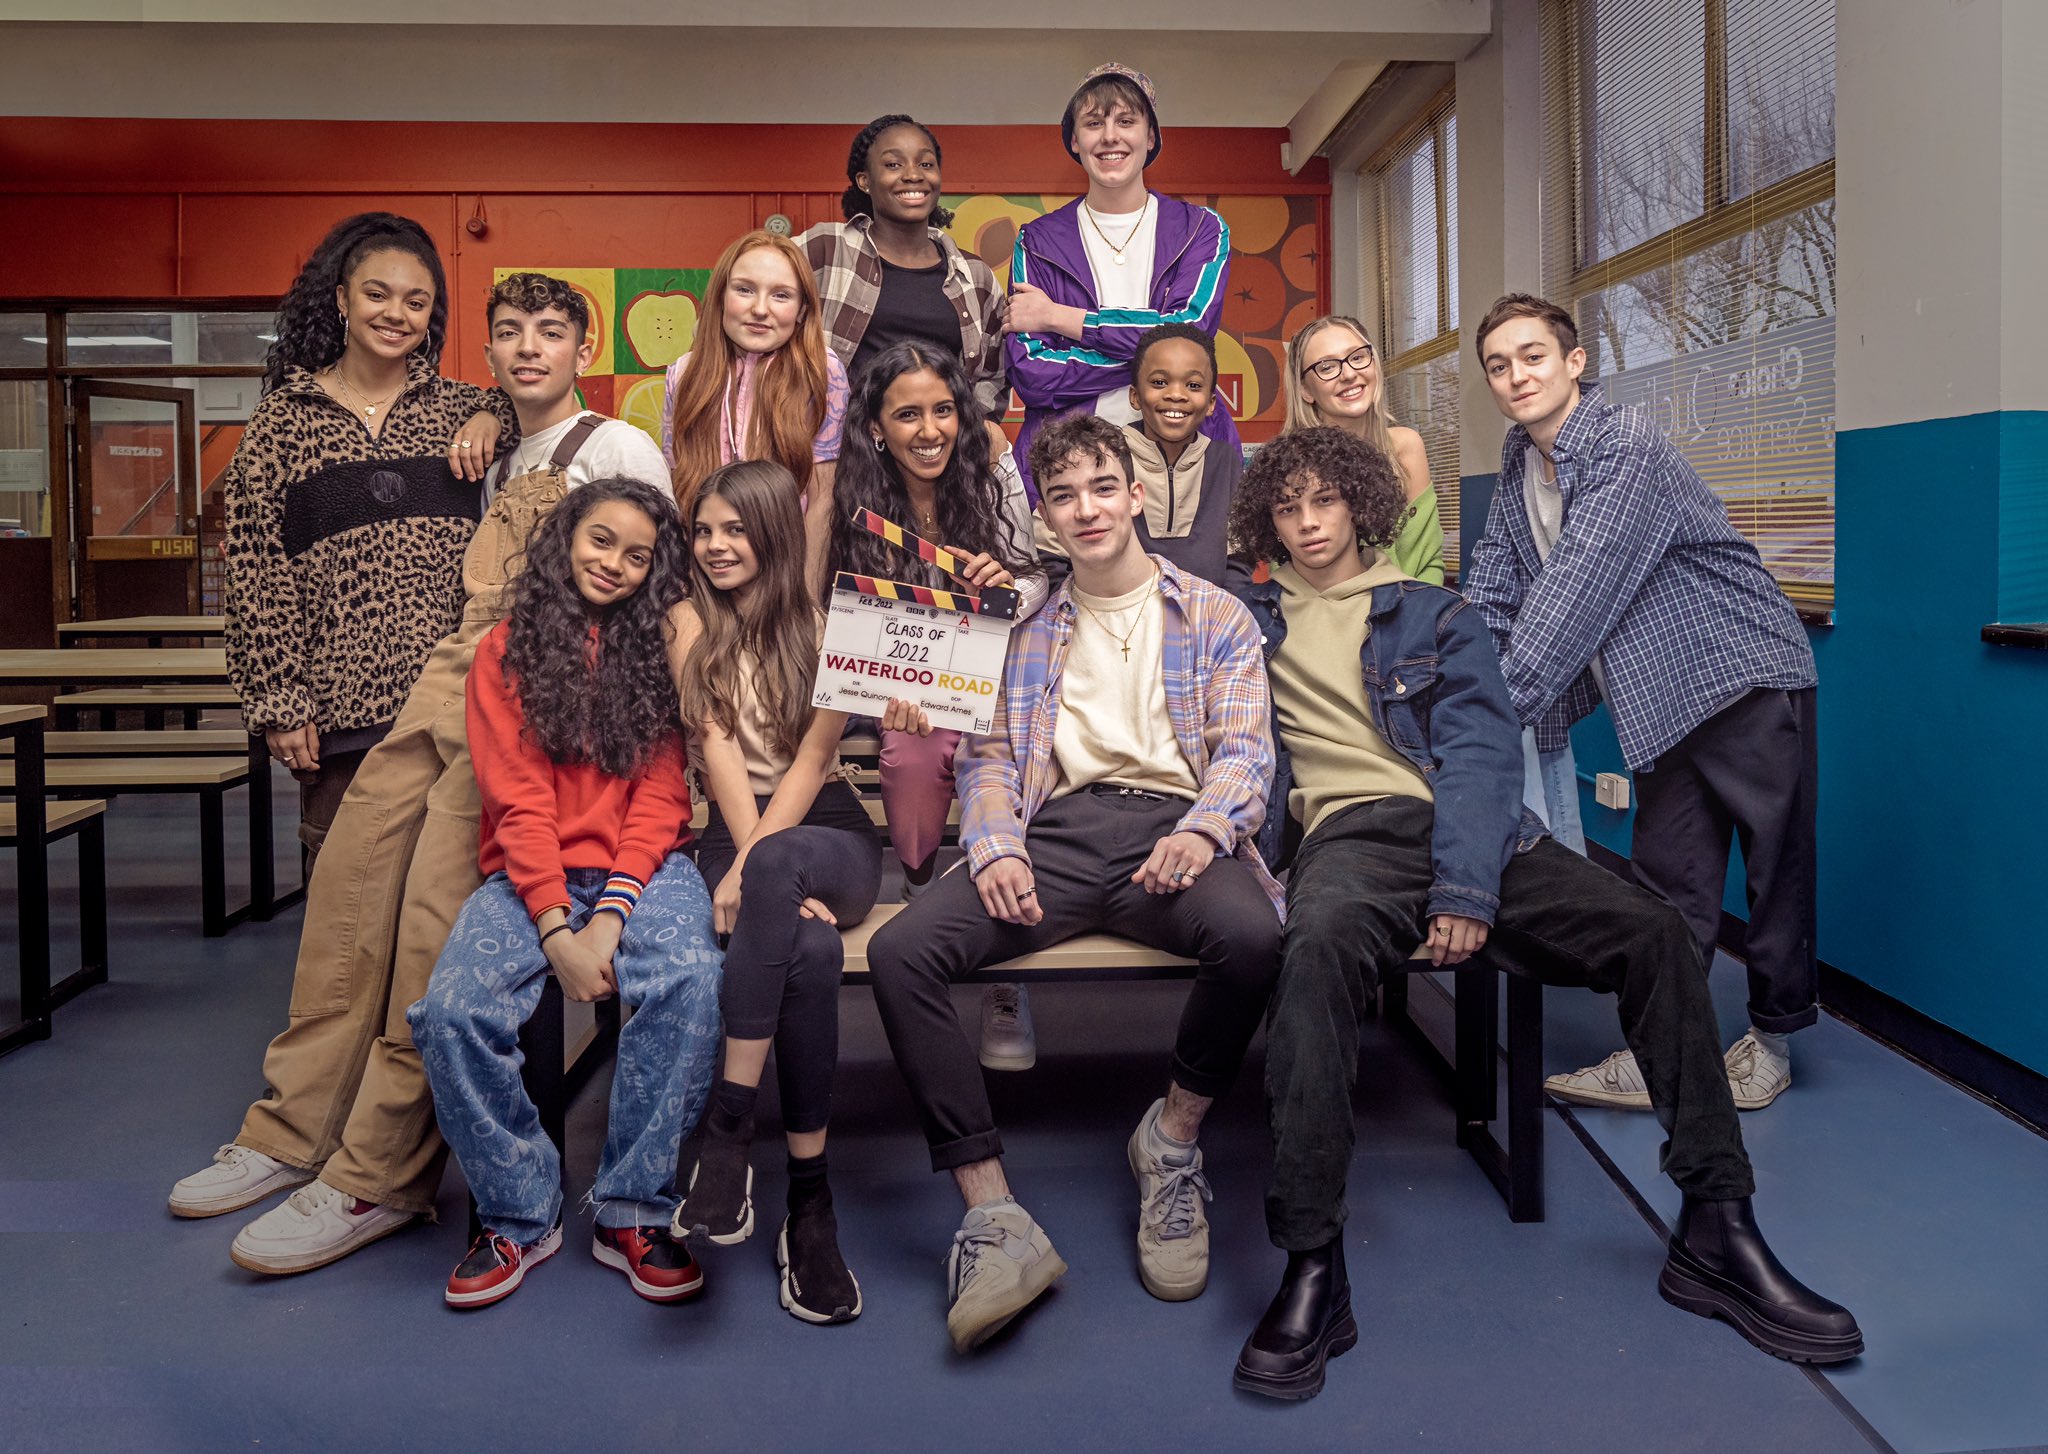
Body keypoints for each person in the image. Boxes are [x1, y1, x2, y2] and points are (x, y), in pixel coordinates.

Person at [1228, 427, 1861, 1400]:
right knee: (1309, 957)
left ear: (1359, 504)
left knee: (1653, 932)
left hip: (1476, 830)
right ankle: (1313, 1263)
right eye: (1287, 506)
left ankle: (1717, 1227)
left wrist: (1463, 885)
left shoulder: (1435, 615)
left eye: (1325, 500)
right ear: (1268, 522)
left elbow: (1482, 753)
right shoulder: (1245, 620)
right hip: (1347, 839)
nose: (1308, 523)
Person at [170, 273, 671, 1277]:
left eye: (551, 331)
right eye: (509, 331)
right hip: (458, 660)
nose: (528, 348)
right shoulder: (484, 442)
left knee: (434, 918)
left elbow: (651, 588)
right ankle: (294, 1126)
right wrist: (488, 422)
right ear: (485, 352)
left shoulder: (616, 446)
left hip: (542, 683)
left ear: (584, 348)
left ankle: (377, 1173)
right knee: (351, 884)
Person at [865, 413, 1283, 1354]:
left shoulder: (1216, 613)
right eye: (1064, 497)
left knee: (1254, 936)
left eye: (1102, 489)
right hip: (1056, 834)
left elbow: (1245, 753)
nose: (1086, 510)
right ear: (1045, 518)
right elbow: (986, 758)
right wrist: (997, 847)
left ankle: (1171, 1141)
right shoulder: (1022, 626)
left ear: (1135, 496)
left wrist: (1202, 829)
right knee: (901, 952)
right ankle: (994, 1215)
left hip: (1174, 829)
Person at [1462, 294, 1820, 1113]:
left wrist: (1488, 722)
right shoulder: (1520, 464)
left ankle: (1771, 1043)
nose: (1517, 376)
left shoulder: (1623, 445)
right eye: (1498, 365)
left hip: (1742, 671)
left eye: (1533, 357)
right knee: (1668, 881)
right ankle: (1661, 1050)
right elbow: (1494, 586)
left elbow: (1576, 592)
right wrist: (1458, 682)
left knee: (1776, 871)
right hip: (1660, 695)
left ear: (1574, 361)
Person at [408, 476, 719, 1311]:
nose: (614, 563)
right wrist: (556, 931)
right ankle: (518, 1210)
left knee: (693, 980)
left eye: (637, 555)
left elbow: (662, 794)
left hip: (645, 869)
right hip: (529, 874)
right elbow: (517, 800)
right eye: (600, 540)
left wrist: (610, 918)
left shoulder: (660, 649)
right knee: (452, 1012)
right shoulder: (503, 651)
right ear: (566, 539)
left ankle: (632, 1209)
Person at [222, 211, 514, 860]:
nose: (395, 314)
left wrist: (494, 415)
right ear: (342, 300)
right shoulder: (284, 422)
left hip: (451, 713)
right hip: (337, 716)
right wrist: (280, 701)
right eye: (377, 294)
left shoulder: (457, 411)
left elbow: (529, 408)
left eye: (416, 301)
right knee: (344, 901)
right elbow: (254, 574)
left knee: (444, 899)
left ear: (431, 315)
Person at [667, 459, 885, 1326]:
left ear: (773, 532)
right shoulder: (687, 621)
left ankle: (728, 1130)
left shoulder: (833, 627)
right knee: (814, 950)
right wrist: (757, 866)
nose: (715, 545)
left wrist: (759, 869)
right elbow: (718, 750)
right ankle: (809, 1200)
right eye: (703, 530)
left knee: (777, 875)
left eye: (735, 528)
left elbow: (812, 761)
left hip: (828, 831)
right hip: (737, 826)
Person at [828, 341, 1047, 1068]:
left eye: (943, 410)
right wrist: (879, 688)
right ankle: (924, 894)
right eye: (908, 415)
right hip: (898, 684)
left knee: (1020, 754)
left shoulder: (992, 470)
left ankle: (1007, 969)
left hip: (996, 669)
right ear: (876, 427)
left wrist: (1007, 590)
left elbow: (1037, 575)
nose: (929, 430)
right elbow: (835, 610)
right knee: (913, 748)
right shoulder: (850, 495)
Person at [1005, 63, 1235, 503]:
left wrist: (1061, 318)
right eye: (1094, 123)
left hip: (1187, 459)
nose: (1110, 137)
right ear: (1075, 140)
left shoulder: (1201, 229)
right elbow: (1032, 373)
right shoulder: (1037, 240)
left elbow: (1192, 332)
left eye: (1126, 121)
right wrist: (1163, 368)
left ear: (1150, 137)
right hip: (1067, 465)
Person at [801, 114, 1008, 414]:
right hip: (843, 440)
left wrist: (974, 427)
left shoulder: (975, 276)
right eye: (893, 165)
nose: (913, 175)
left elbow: (993, 375)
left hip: (939, 439)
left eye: (926, 164)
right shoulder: (826, 248)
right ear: (864, 181)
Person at [1280, 313, 1443, 583]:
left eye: (1357, 357)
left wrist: (1412, 609)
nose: (1348, 374)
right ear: (1305, 390)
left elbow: (1427, 564)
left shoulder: (1406, 447)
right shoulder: (1288, 466)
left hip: (1407, 604)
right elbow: (1286, 575)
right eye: (1327, 367)